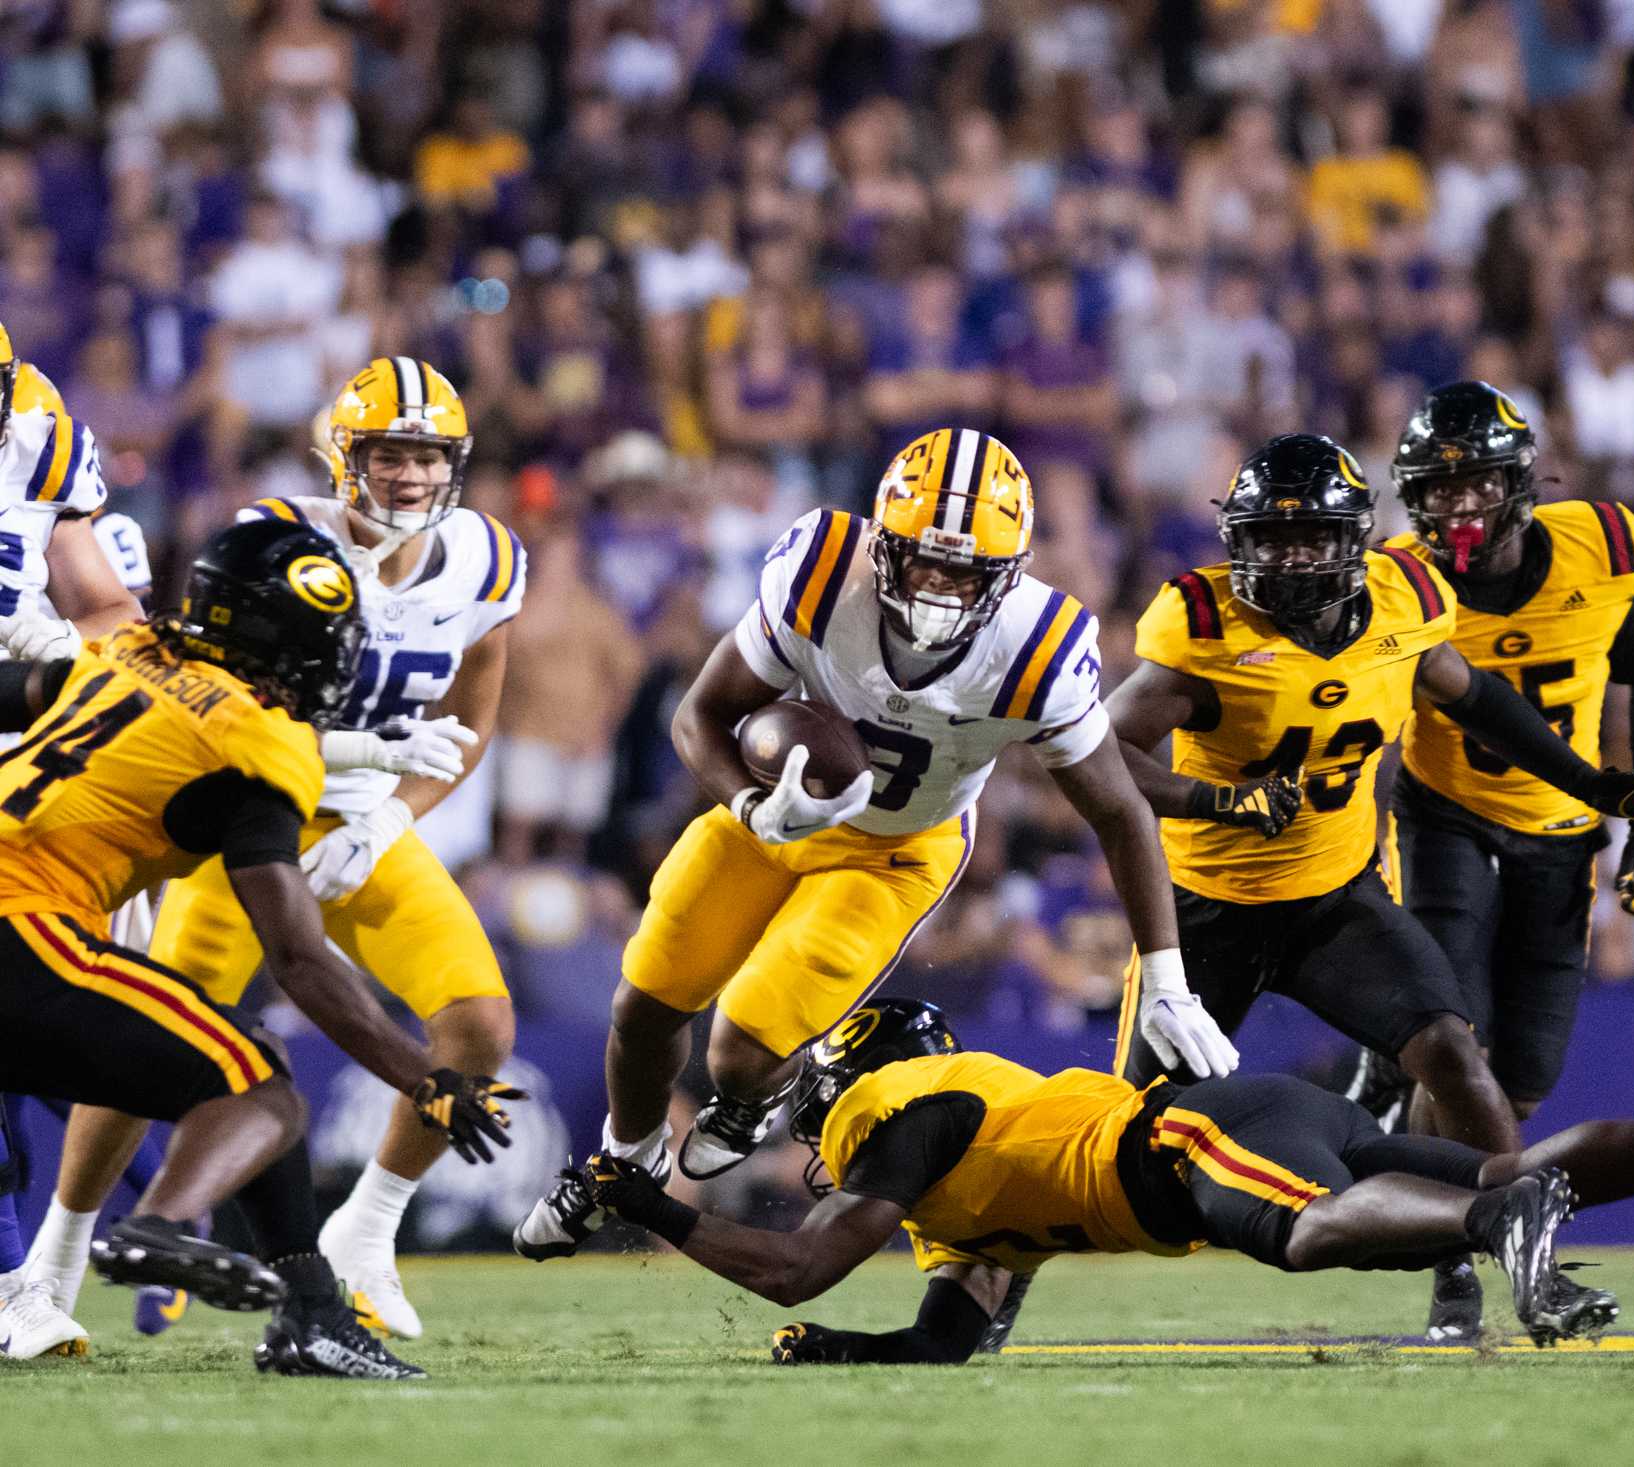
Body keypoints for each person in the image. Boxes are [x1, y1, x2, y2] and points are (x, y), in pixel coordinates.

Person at [516, 429, 1223, 1257]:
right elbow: (698, 715)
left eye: (964, 572)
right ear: (885, 544)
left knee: (740, 1050)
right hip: (775, 815)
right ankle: (623, 1162)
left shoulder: (1038, 647)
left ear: (1008, 576)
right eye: (925, 561)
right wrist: (750, 804)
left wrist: (1168, 978)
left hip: (899, 848)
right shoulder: (819, 572)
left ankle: (752, 1101)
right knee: (641, 1005)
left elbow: (1121, 812)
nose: (939, 590)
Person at [21, 357, 519, 1343]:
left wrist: (391, 814)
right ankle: (53, 1265)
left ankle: (365, 1236)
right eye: (386, 453)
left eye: (425, 455)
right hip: (238, 815)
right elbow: (205, 692)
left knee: (482, 1026)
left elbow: (471, 719)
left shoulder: (485, 561)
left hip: (362, 822)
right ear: (345, 456)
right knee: (153, 1050)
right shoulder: (272, 537)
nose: (409, 475)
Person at [553, 998, 1634, 1363]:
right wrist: (838, 1352)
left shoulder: (902, 1109)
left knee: (1303, 1237)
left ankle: (1488, 1221)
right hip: (1240, 1120)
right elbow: (955, 1329)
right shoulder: (964, 1149)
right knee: (1515, 1159)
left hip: (1184, 1141)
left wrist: (639, 1195)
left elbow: (801, 1254)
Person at [1105, 434, 1634, 1141]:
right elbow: (1099, 751)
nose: (1291, 558)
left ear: (1354, 538)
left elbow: (1480, 702)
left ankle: (1506, 1222)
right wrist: (1212, 801)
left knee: (1451, 1050)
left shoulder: (1401, 603)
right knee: (1137, 1135)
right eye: (1271, 539)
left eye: (1312, 536)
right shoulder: (1206, 627)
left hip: (1336, 899)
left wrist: (1589, 783)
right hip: (1208, 906)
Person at [1349, 382, 1634, 1339]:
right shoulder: (1402, 580)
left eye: (1473, 486)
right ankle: (1450, 1262)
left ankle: (1394, 1079)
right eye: (1437, 490)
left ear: (1517, 483)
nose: (1456, 510)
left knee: (1524, 1080)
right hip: (1443, 816)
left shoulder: (1601, 551)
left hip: (1558, 830)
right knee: (1456, 1048)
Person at [0, 320, 153, 1359]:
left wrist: (60, 646)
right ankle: (17, 1282)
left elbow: (110, 613)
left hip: (29, 750)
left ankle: (120, 1238)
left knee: (107, 1020)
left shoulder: (36, 433)